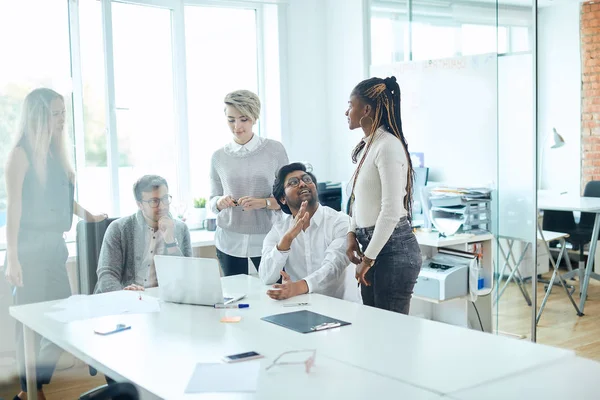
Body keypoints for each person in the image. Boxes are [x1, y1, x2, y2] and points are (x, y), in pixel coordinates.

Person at [3, 88, 106, 400]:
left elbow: (60, 196)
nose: (63, 119)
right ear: (39, 116)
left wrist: (85, 214)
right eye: (56, 113)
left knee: (64, 318)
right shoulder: (20, 154)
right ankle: (30, 390)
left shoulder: (53, 152)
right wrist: (13, 259)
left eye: (64, 112)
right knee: (30, 324)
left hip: (54, 246)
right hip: (29, 248)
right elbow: (14, 207)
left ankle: (32, 387)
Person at [345, 76, 422, 314]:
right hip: (373, 246)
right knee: (374, 329)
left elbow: (390, 211)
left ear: (366, 109)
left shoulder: (388, 146)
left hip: (393, 249)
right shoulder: (368, 145)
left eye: (351, 104)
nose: (346, 111)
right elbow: (359, 199)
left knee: (390, 334)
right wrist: (351, 234)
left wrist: (367, 260)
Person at [210, 90, 288, 276]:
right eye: (231, 119)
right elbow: (212, 200)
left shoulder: (275, 150)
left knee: (274, 294)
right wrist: (220, 202)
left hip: (268, 239)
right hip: (229, 241)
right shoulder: (218, 157)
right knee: (235, 299)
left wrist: (264, 202)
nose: (237, 126)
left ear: (254, 117)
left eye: (243, 119)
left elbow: (288, 198)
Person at [260, 163, 350, 300]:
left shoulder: (340, 221)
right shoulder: (279, 230)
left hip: (341, 308)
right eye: (293, 182)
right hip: (301, 306)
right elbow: (266, 276)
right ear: (283, 199)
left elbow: (334, 267)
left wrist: (297, 287)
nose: (302, 184)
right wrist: (287, 240)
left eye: (307, 179)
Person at [95, 175, 192, 293]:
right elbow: (106, 276)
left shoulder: (181, 229)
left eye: (165, 199)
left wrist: (170, 241)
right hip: (126, 299)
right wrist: (124, 295)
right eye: (154, 201)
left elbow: (187, 276)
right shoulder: (119, 229)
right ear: (139, 204)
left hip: (164, 299)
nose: (162, 206)